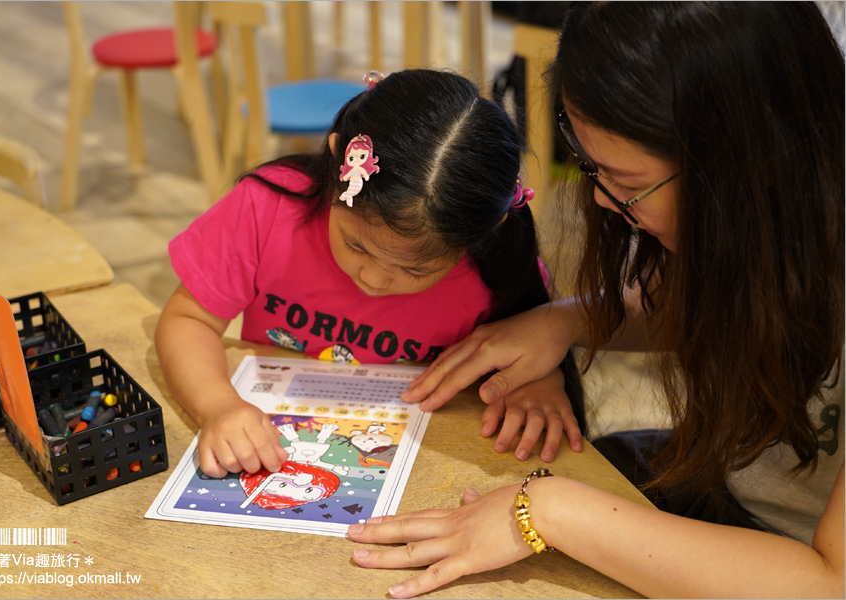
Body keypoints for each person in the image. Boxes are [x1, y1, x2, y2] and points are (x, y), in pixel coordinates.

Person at [348, 3, 845, 598]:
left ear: (752, 160)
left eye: (629, 185)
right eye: (587, 165)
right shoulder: (790, 205)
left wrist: (546, 509)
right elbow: (730, 299)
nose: (605, 203)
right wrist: (567, 319)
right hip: (732, 489)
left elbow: (827, 583)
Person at [155, 69, 586, 479]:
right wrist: (218, 406)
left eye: (415, 268)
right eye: (356, 245)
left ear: (483, 235)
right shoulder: (266, 209)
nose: (375, 279)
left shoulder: (496, 270)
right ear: (336, 161)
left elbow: (529, 339)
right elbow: (189, 319)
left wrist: (539, 380)